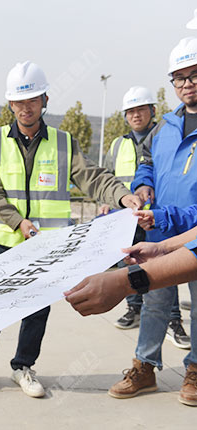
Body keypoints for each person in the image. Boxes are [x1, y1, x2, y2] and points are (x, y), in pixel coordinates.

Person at [0, 60, 143, 399]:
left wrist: (122, 196)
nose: (25, 108)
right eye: (19, 101)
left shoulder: (63, 142)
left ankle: (23, 367)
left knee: (37, 308)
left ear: (45, 100)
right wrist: (18, 223)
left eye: (32, 100)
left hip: (46, 244)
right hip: (5, 239)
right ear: (10, 104)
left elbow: (92, 177)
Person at [104, 37, 197, 401]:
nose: (187, 84)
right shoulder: (166, 127)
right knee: (154, 301)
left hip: (190, 234)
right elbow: (147, 163)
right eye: (180, 77)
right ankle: (144, 367)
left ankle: (194, 370)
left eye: (194, 75)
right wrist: (143, 186)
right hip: (159, 232)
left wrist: (161, 215)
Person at [64, 225, 197, 406]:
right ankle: (145, 366)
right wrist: (164, 247)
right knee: (153, 307)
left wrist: (125, 282)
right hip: (166, 237)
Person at [101, 86, 160, 330]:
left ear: (152, 110)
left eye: (141, 109)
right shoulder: (117, 145)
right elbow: (108, 178)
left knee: (161, 265)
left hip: (156, 216)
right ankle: (133, 308)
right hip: (126, 217)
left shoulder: (163, 139)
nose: (136, 115)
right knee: (129, 263)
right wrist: (106, 202)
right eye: (130, 111)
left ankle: (172, 317)